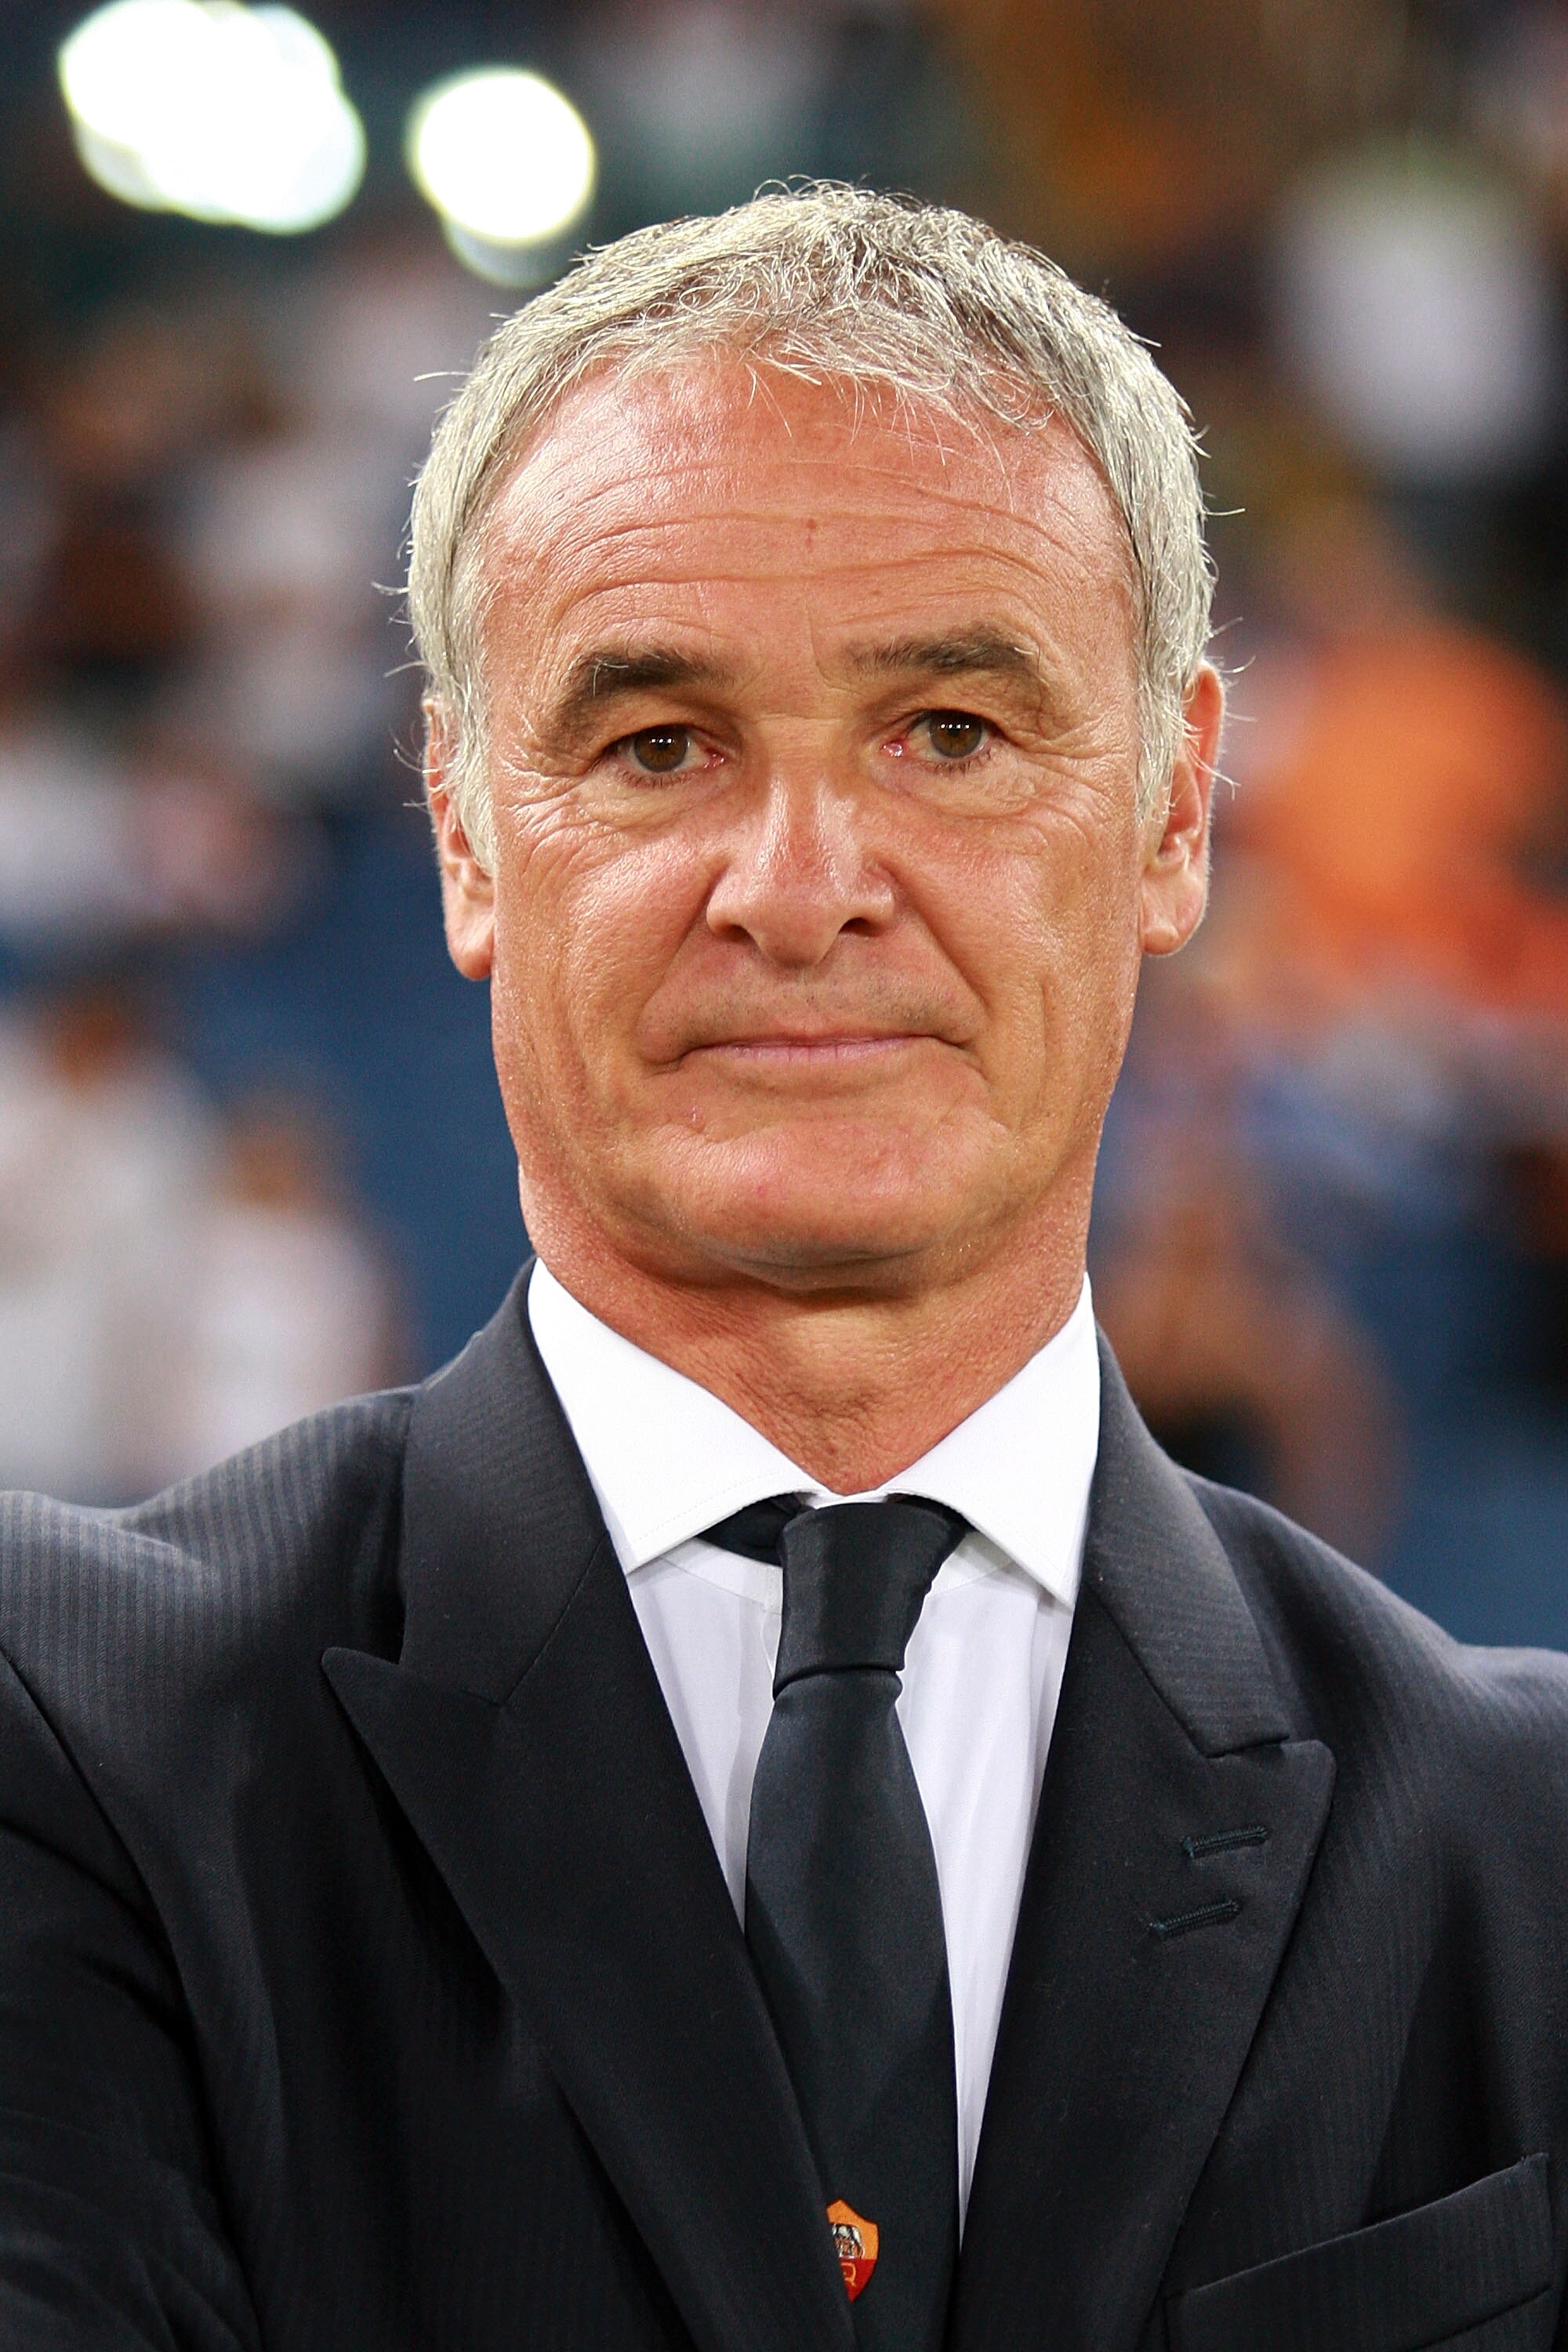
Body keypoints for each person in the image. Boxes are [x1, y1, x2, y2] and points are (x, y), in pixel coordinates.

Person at [2, 186, 1565, 2352]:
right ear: (462, 827)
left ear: (1180, 812)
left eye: (952, 735)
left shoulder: (1529, 1854)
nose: (804, 885)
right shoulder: (69, 1744)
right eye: (660, 746)